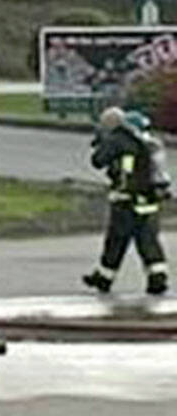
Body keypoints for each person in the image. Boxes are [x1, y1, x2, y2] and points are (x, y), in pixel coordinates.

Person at [83, 105, 169, 296]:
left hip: (125, 201)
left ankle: (104, 279)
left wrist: (102, 143)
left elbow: (98, 161)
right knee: (148, 241)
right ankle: (158, 277)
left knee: (115, 241)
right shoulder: (149, 143)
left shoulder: (118, 140)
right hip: (149, 202)